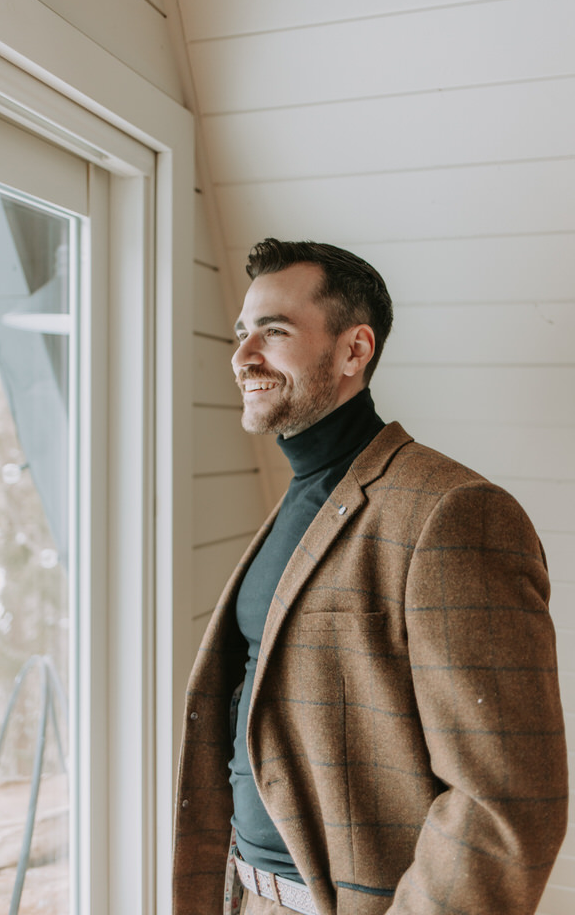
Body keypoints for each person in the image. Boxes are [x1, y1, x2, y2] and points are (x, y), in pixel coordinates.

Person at [173, 239, 568, 915]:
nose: (242, 356)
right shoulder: (302, 495)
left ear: (355, 351)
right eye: (243, 333)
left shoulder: (455, 512)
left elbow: (504, 801)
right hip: (242, 893)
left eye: (274, 331)